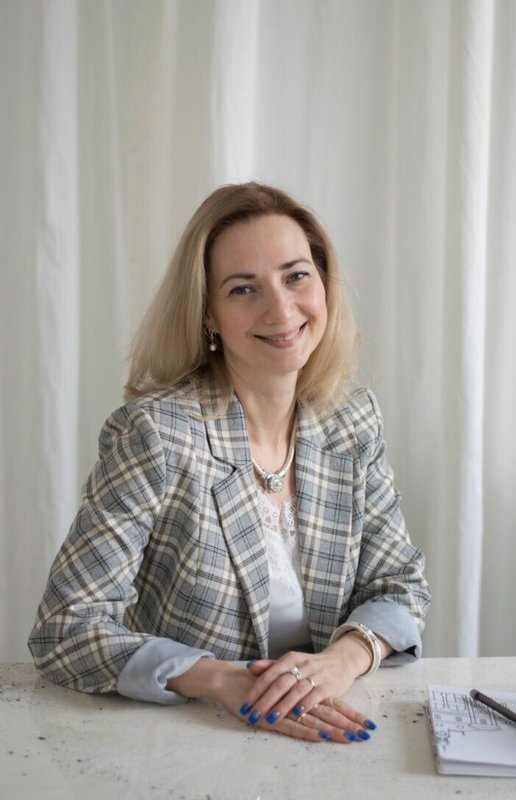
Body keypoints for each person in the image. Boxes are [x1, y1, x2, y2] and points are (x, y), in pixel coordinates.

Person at [28, 181, 431, 744]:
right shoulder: (156, 434)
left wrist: (342, 660)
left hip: (328, 726)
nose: (281, 308)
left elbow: (400, 584)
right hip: (186, 738)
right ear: (207, 313)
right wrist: (221, 680)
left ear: (324, 284)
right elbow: (65, 627)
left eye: (296, 276)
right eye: (243, 289)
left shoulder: (351, 419)